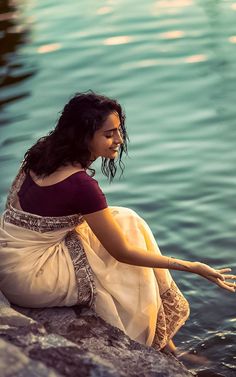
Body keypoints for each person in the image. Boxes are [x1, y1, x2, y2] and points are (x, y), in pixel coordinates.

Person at [0, 91, 235, 356]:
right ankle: (159, 346)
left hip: (9, 257)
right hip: (30, 276)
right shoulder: (81, 186)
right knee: (125, 258)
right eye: (109, 134)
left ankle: (166, 342)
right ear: (82, 135)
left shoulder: (42, 152)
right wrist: (192, 267)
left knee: (127, 220)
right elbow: (122, 252)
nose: (119, 140)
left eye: (119, 131)